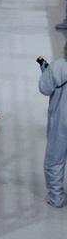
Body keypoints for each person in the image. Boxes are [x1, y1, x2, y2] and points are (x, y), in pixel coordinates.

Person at [38, 54, 67, 207]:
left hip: (62, 121)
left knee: (55, 160)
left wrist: (45, 72)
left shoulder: (59, 66)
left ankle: (56, 198)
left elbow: (44, 89)